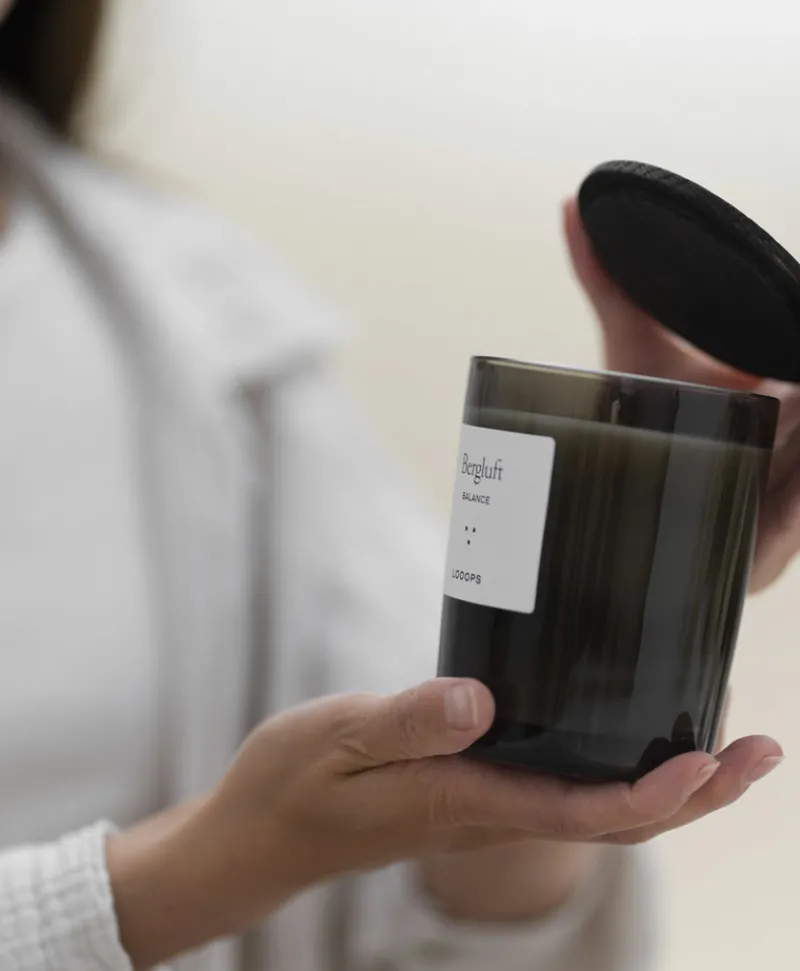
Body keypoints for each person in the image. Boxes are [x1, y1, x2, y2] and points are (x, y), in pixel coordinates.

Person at [0, 2, 788, 970]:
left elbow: (448, 890)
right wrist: (216, 864)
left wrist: (609, 591)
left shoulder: (210, 321)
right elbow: (287, 837)